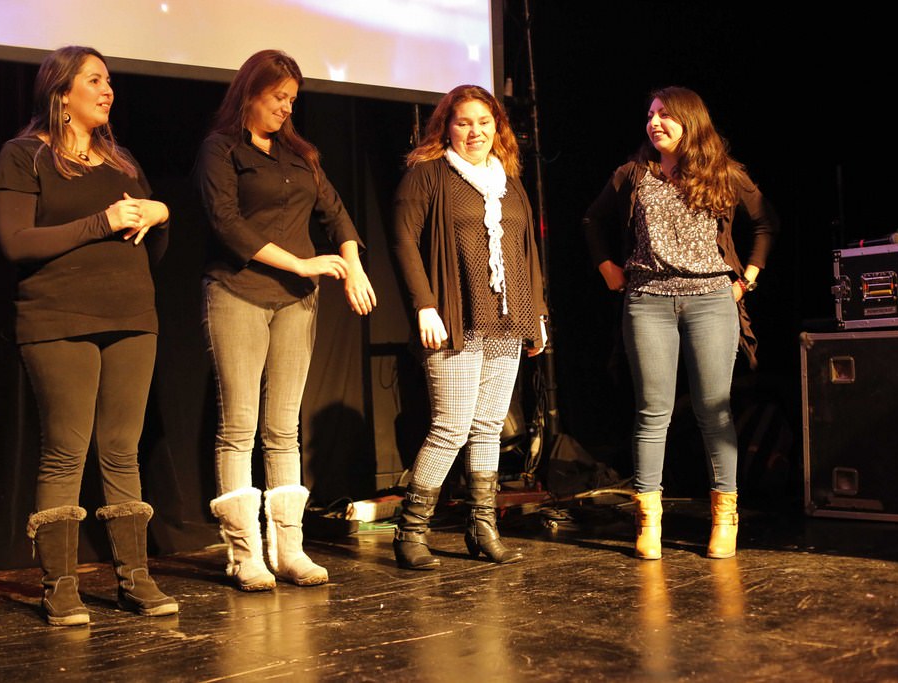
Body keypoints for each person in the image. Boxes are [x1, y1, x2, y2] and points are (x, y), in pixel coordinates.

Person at [0, 46, 177, 625]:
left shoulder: (121, 161)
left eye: (109, 80)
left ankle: (134, 579)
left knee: (121, 449)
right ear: (61, 92)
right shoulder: (23, 156)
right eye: (94, 80)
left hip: (131, 315)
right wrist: (103, 221)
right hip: (57, 319)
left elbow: (152, 244)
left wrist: (160, 214)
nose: (108, 89)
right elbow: (16, 242)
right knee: (66, 450)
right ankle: (60, 586)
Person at [196, 50, 376, 590]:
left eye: (292, 100)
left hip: (295, 302)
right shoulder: (220, 149)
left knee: (283, 427)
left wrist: (353, 266)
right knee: (239, 427)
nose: (286, 108)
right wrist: (300, 262)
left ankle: (289, 549)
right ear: (250, 93)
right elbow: (227, 224)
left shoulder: (300, 155)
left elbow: (336, 214)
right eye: (278, 97)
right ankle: (244, 554)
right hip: (239, 292)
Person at [583, 86, 779, 560]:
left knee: (715, 411)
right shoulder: (634, 173)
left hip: (711, 302)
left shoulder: (723, 173)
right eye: (651, 115)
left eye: (666, 115)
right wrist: (607, 267)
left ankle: (725, 518)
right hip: (648, 301)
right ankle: (648, 522)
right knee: (653, 412)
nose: (655, 123)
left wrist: (747, 279)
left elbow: (765, 223)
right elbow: (592, 220)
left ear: (691, 121)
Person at [389, 84, 548, 570]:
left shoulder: (509, 182)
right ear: (447, 127)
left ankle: (482, 526)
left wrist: (538, 314)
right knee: (450, 427)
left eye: (484, 122)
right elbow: (403, 241)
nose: (475, 131)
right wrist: (424, 305)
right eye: (464, 122)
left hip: (507, 319)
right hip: (455, 319)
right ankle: (410, 529)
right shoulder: (428, 175)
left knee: (488, 428)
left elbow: (527, 251)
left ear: (497, 126)